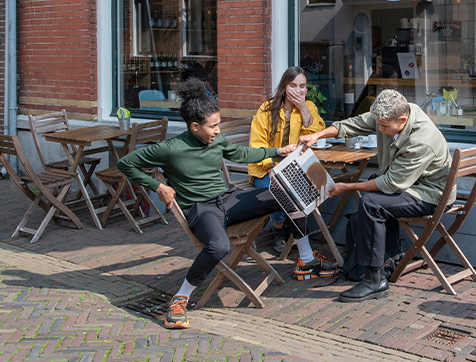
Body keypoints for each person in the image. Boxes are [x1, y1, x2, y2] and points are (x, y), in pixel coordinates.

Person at [117, 78, 334, 329]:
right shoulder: (170, 148)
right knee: (219, 246)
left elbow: (240, 154)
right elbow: (126, 164)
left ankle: (305, 260)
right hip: (201, 208)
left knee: (290, 194)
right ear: (195, 126)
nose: (218, 131)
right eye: (214, 126)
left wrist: (277, 151)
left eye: (219, 124)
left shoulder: (216, 140)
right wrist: (160, 187)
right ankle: (180, 298)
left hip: (228, 200)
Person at [298, 89, 455, 302]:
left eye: (384, 127)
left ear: (402, 119)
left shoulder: (421, 140)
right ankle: (388, 259)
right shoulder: (394, 114)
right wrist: (317, 135)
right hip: (411, 184)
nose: (379, 129)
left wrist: (348, 187)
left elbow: (391, 184)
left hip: (429, 195)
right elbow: (352, 125)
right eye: (378, 124)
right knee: (372, 197)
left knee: (372, 204)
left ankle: (375, 280)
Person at [248, 66, 332, 280]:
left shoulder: (309, 106)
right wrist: (273, 164)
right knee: (286, 193)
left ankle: (298, 244)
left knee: (320, 186)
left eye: (302, 86)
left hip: (296, 168)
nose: (298, 90)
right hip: (267, 169)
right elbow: (256, 147)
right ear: (284, 87)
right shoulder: (267, 110)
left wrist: (304, 110)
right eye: (293, 85)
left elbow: (316, 140)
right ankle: (281, 229)